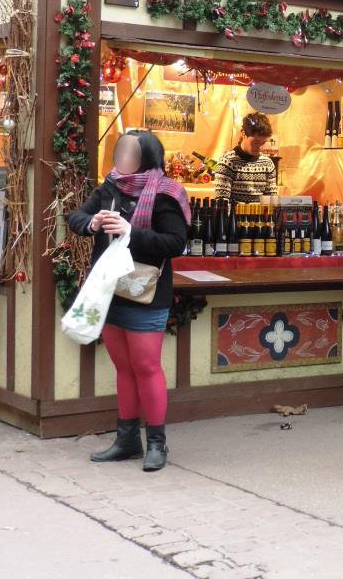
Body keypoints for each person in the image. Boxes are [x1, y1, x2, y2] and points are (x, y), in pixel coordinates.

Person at [68, 131, 189, 472]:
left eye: (131, 153)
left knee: (147, 367)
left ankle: (157, 444)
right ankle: (127, 440)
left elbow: (175, 242)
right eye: (120, 151)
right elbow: (75, 218)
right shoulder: (110, 186)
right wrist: (92, 223)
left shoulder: (167, 192)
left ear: (147, 156)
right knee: (123, 367)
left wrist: (130, 231)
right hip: (110, 290)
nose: (123, 158)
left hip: (145, 293)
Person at [213, 112, 278, 203]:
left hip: (260, 213)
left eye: (263, 143)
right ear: (243, 133)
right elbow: (222, 204)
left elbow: (271, 201)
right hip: (235, 213)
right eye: (256, 142)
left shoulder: (268, 164)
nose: (260, 148)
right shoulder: (227, 163)